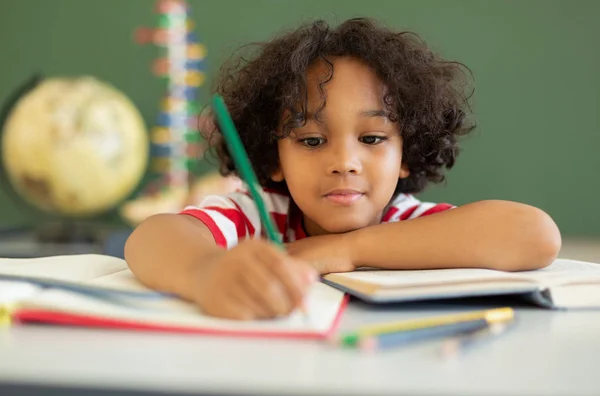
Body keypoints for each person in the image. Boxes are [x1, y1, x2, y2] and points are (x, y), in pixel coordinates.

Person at [125, 18, 561, 320]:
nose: (344, 163)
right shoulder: (259, 218)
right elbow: (150, 238)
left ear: (406, 151)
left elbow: (535, 234)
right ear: (274, 157)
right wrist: (207, 273)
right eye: (312, 141)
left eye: (372, 139)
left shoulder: (405, 224)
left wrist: (344, 250)